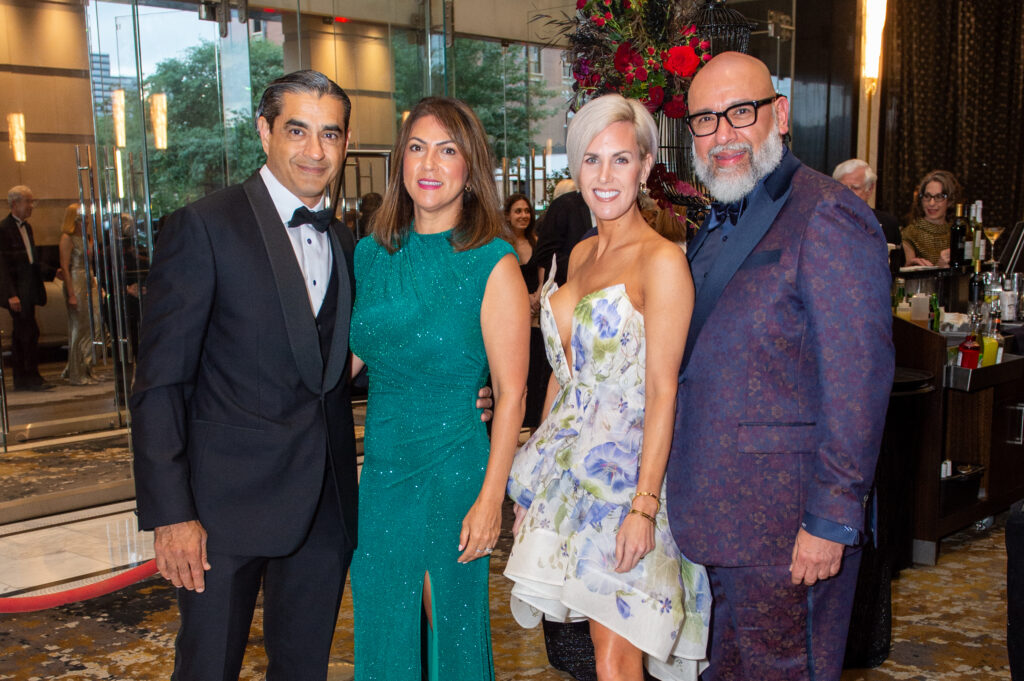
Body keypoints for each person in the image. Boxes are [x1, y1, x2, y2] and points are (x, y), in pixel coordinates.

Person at [665, 52, 893, 681]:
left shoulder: (828, 214)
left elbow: (858, 381)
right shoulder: (711, 227)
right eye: (706, 121)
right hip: (711, 526)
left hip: (788, 534)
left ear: (781, 114)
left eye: (741, 112)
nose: (724, 135)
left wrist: (831, 518)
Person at [131, 70, 363, 681]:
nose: (315, 151)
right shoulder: (204, 226)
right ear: (264, 132)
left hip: (324, 504)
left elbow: (328, 365)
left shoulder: (342, 237)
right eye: (297, 131)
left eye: (330, 134)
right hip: (220, 513)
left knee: (303, 669)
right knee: (207, 668)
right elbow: (160, 382)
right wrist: (171, 514)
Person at [505, 93, 711, 681]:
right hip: (573, 480)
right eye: (591, 159)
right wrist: (536, 485)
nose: (604, 175)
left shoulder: (663, 261)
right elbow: (566, 384)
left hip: (629, 484)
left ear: (645, 167)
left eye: (620, 160)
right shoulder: (581, 253)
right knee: (602, 658)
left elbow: (663, 391)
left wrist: (644, 508)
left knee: (618, 657)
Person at [349, 97, 530, 680]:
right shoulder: (371, 255)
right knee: (381, 622)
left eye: (448, 150)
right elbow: (345, 362)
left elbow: (512, 393)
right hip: (380, 474)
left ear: (470, 167)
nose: (430, 163)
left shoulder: (492, 262)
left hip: (452, 468)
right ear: (400, 161)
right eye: (418, 147)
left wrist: (490, 499)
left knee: (447, 629)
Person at [0, 185, 56, 390]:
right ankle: (29, 377)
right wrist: (11, 295)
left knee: (25, 333)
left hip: (29, 288)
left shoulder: (28, 227)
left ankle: (25, 377)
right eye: (28, 202)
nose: (31, 206)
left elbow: (30, 261)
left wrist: (50, 272)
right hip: (18, 291)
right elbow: (3, 267)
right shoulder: (4, 229)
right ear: (15, 204)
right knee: (27, 333)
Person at [504, 192, 549, 430]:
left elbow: (544, 271)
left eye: (526, 211)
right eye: (517, 211)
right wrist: (523, 298)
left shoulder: (536, 240)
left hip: (535, 317)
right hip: (511, 319)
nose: (523, 215)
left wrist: (539, 294)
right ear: (508, 216)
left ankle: (534, 433)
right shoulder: (501, 245)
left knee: (536, 375)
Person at [58, 203, 96, 385]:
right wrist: (71, 293)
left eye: (87, 216)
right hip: (75, 281)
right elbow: (65, 267)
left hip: (88, 280)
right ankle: (76, 371)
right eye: (83, 216)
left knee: (92, 324)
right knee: (78, 326)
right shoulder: (68, 238)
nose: (87, 219)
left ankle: (86, 366)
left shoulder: (87, 237)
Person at [832, 159, 901, 246]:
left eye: (855, 188)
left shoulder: (888, 225)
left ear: (870, 189)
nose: (848, 193)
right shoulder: (822, 220)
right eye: (842, 187)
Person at [535, 184, 593, 287]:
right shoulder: (564, 205)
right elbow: (545, 253)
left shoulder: (617, 207)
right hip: (568, 288)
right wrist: (583, 268)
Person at [901, 169, 961, 267]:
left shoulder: (957, 232)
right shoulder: (910, 234)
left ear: (950, 201)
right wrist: (939, 267)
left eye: (939, 197)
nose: (931, 203)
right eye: (927, 196)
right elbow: (911, 278)